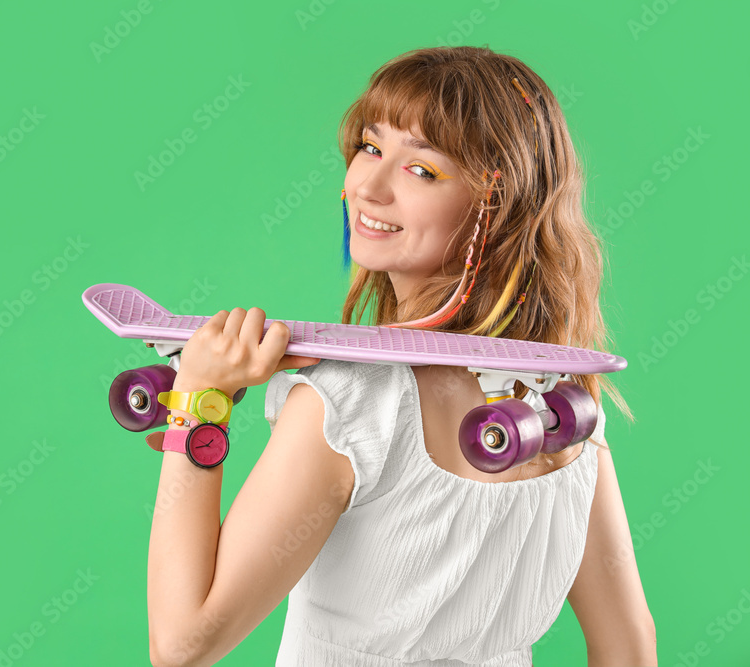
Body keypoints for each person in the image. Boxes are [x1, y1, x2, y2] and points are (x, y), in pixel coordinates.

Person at [146, 46, 656, 667]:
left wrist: (200, 404)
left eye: (423, 171)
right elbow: (629, 648)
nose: (367, 185)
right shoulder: (566, 409)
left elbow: (182, 645)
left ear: (494, 207)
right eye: (370, 146)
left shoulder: (349, 409)